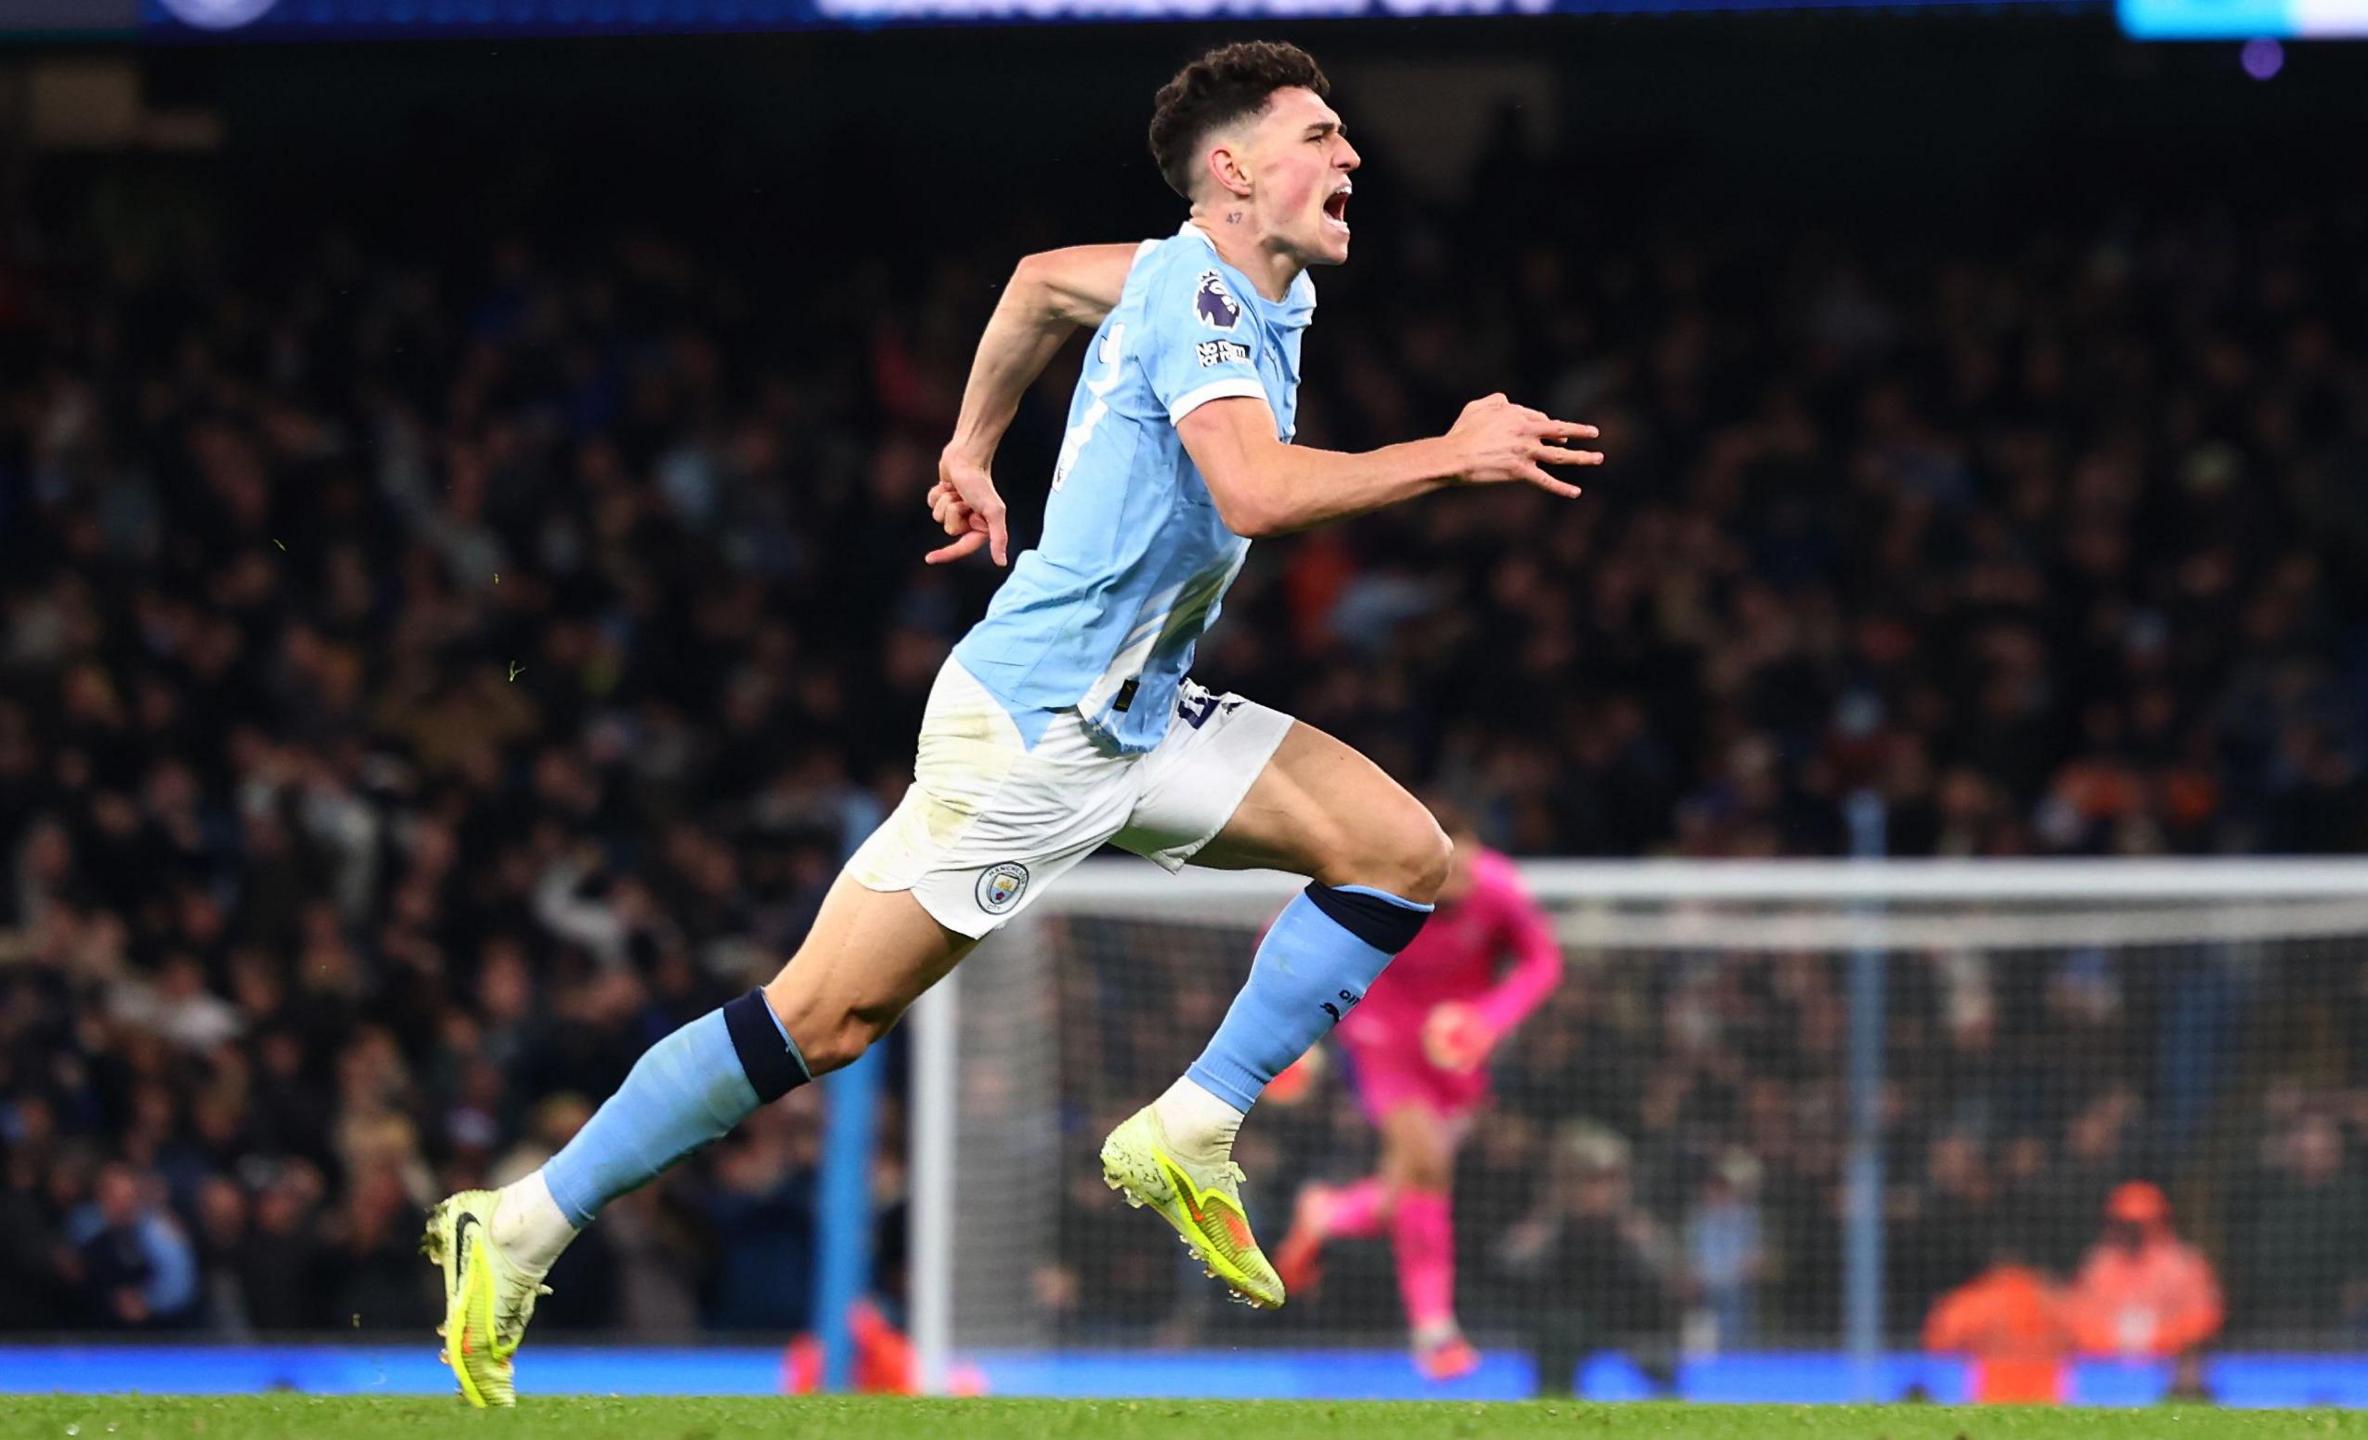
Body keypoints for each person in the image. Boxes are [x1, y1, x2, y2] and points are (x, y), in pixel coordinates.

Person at [418, 39, 1602, 1407]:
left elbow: (1041, 285)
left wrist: (970, 448)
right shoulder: (1205, 303)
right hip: (1038, 734)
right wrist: (1452, 453)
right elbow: (1255, 494)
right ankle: (517, 1226)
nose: (1350, 157)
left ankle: (1192, 1128)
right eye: (1320, 135)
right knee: (823, 1018)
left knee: (1401, 851)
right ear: (1234, 171)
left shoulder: (1208, 279)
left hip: (1143, 717)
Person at [1269, 820, 1563, 1379]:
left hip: (1456, 1052)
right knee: (1427, 1167)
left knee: (1405, 1192)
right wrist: (1293, 1033)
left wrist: (1488, 1020)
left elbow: (1542, 962)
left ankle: (1329, 1213)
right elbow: (1280, 933)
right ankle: (1435, 1331)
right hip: (1380, 1038)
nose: (1460, 886)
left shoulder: (1496, 887)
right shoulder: (1373, 870)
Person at [1497, 1124, 1681, 1399]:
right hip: (1566, 1325)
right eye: (1591, 1179)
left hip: (1631, 1320)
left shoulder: (1636, 1224)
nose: (1600, 1189)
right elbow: (1508, 1262)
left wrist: (1640, 1239)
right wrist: (1547, 1227)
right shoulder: (1550, 1221)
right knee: (1557, 1339)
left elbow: (1673, 1272)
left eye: (1609, 1179)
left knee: (1660, 1360)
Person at [2069, 1180, 2223, 1362]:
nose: (2133, 1233)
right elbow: (2078, 1317)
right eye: (2125, 1223)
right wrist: (2113, 1342)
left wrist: (2158, 1340)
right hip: (2107, 1366)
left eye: (2140, 1224)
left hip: (2170, 1366)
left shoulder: (2183, 1264)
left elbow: (2204, 1315)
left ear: (2159, 1221)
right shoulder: (2099, 1264)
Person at [1922, 1247, 2074, 1405]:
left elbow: (1939, 1343)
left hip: (1993, 1398)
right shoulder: (2053, 1298)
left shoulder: (1974, 1300)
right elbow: (2095, 1341)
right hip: (2048, 1399)